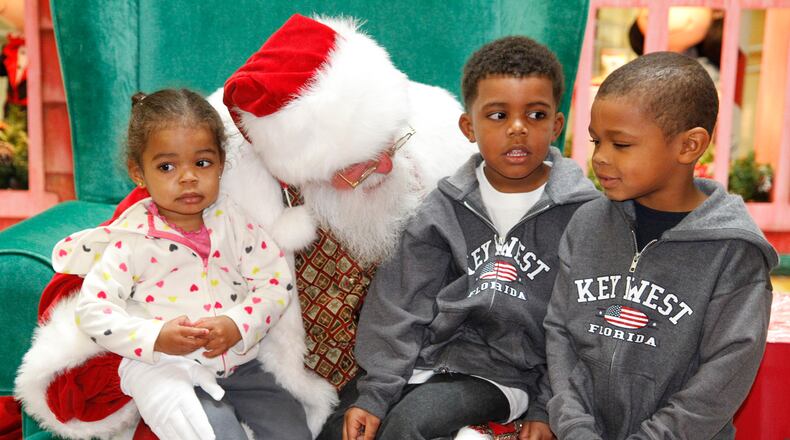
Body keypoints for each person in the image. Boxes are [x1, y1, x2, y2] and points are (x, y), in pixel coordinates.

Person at [16, 14, 469, 440]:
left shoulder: (434, 132)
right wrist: (155, 345)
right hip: (271, 379)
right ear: (294, 168)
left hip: (398, 377)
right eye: (356, 167)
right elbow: (89, 294)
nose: (387, 166)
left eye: (390, 143)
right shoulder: (213, 176)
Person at [340, 36, 599, 440]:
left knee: (411, 425)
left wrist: (548, 405)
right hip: (426, 362)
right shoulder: (442, 206)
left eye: (535, 115)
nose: (517, 129)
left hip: (507, 375)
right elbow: (399, 301)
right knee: (336, 425)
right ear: (468, 126)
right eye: (498, 115)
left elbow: (581, 324)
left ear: (556, 125)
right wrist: (375, 392)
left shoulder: (584, 215)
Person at [45, 89, 319, 440]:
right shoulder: (132, 240)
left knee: (293, 430)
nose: (188, 177)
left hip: (243, 366)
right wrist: (156, 337)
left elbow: (276, 282)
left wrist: (238, 324)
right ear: (139, 172)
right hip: (176, 372)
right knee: (216, 433)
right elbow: (93, 312)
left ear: (222, 163)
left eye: (202, 163)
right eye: (167, 166)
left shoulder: (233, 222)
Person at [543, 52, 778, 440]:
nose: (600, 157)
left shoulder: (733, 250)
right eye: (596, 140)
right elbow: (560, 332)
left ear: (689, 146)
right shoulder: (585, 223)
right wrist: (575, 428)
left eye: (621, 144)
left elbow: (725, 371)